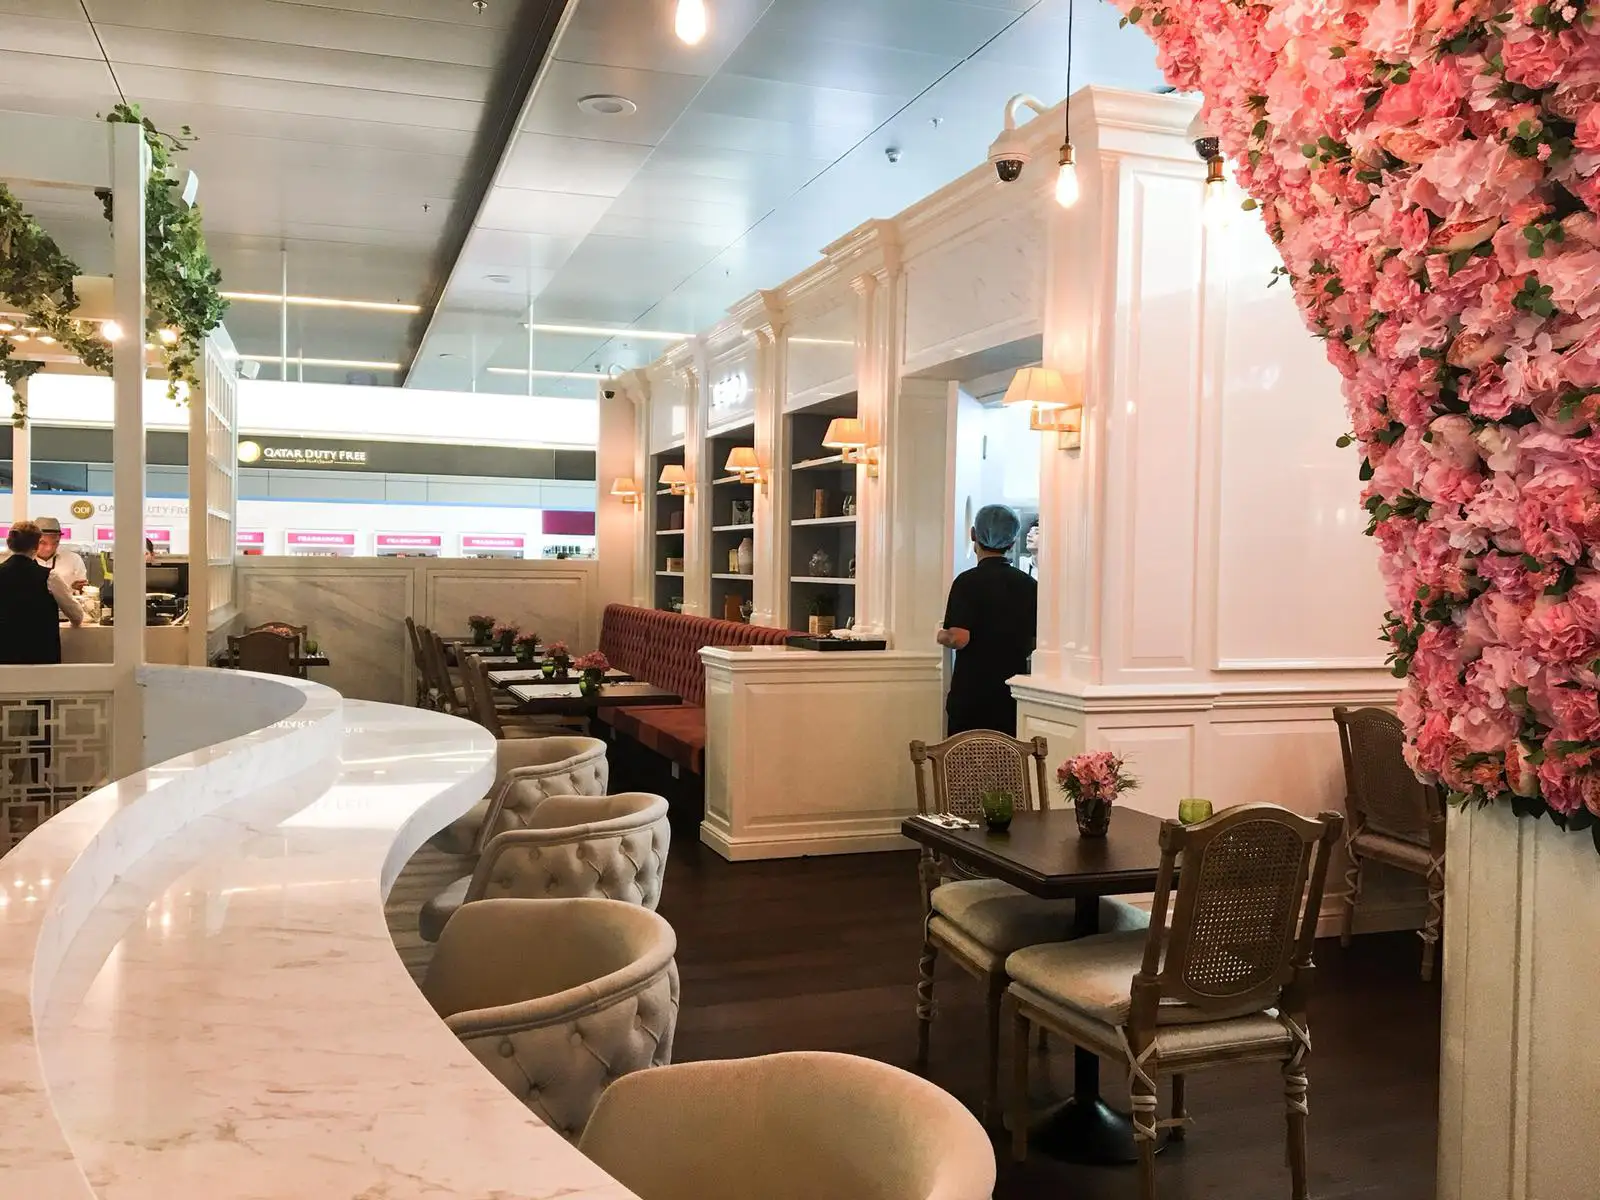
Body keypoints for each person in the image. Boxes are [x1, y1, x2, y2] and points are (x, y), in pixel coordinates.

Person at [937, 504, 1037, 737]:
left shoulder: (967, 582)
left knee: (966, 755)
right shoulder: (1029, 585)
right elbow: (1034, 641)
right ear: (1012, 542)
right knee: (1006, 756)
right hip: (1011, 693)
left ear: (973, 534)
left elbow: (959, 638)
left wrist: (941, 635)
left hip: (972, 694)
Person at [0, 521, 84, 665]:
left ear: (9, 543)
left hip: (4, 655)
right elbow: (76, 616)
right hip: (41, 655)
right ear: (36, 545)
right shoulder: (49, 576)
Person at [34, 516, 88, 594]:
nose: (49, 548)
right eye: (42, 543)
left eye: (55, 542)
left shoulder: (74, 559)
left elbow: (83, 590)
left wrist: (80, 589)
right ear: (32, 540)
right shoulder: (23, 561)